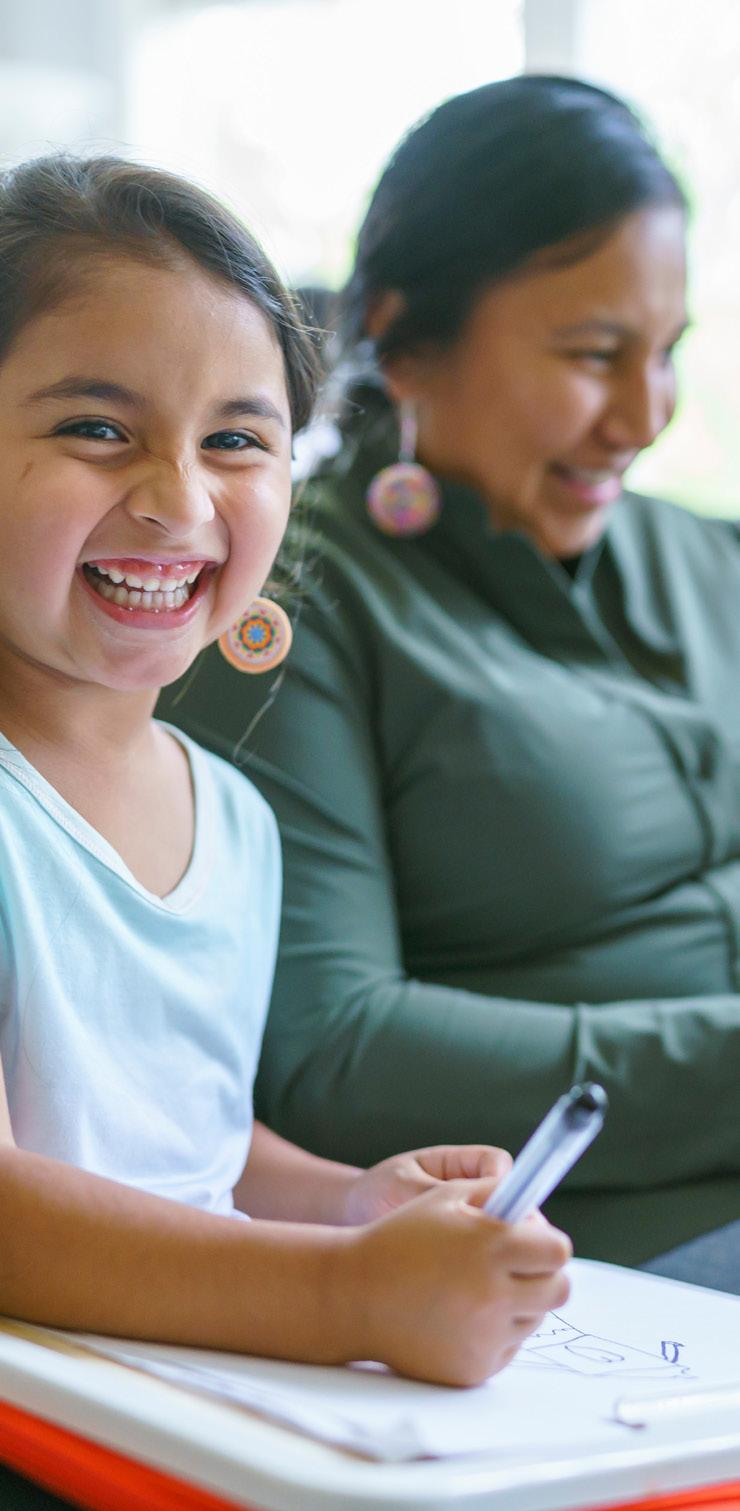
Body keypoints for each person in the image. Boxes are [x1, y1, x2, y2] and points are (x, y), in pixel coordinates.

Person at [0, 152, 572, 1391]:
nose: (177, 498)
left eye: (236, 439)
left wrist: (354, 1207)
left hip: (197, 1399)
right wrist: (346, 1295)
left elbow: (187, 1151)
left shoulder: (236, 821)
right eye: (96, 429)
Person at [158, 75, 740, 1271]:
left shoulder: (703, 556)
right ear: (405, 336)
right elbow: (332, 1051)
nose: (643, 415)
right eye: (592, 355)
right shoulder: (290, 618)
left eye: (666, 354)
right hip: (624, 1251)